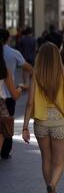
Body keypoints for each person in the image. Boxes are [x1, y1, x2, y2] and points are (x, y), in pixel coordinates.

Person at [21, 42, 64, 193]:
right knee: (59, 162)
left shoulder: (36, 76)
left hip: (40, 122)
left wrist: (25, 127)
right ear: (57, 56)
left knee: (46, 159)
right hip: (60, 123)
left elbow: (30, 103)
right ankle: (53, 186)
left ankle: (51, 190)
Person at [0, 28, 32, 159]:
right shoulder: (12, 55)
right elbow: (28, 68)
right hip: (5, 97)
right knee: (6, 126)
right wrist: (21, 87)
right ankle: (5, 152)